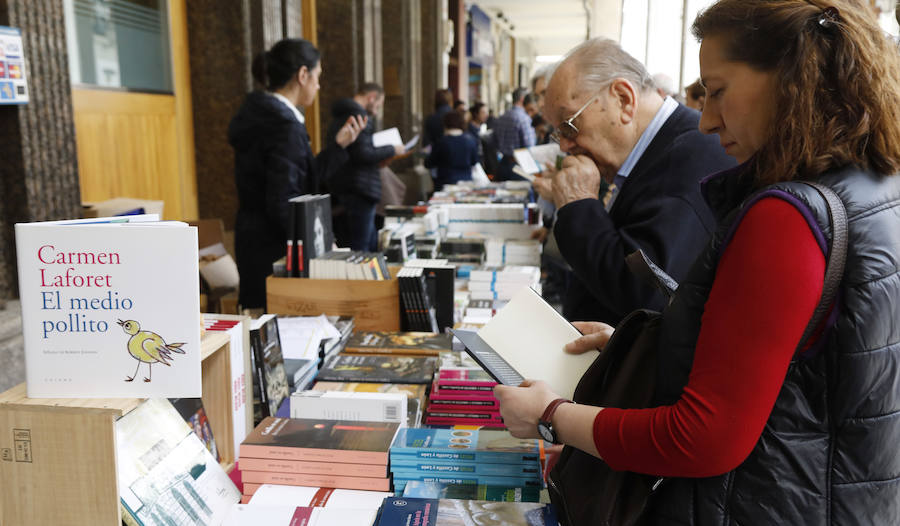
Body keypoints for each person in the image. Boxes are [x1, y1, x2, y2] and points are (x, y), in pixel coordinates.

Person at [495, 1, 900, 523]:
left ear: (791, 80)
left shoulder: (786, 216)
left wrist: (552, 414)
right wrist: (645, 344)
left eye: (718, 91)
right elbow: (805, 361)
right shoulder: (874, 185)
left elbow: (704, 436)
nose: (706, 119)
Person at [541, 38, 734, 325]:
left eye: (570, 125)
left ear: (623, 99)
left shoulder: (686, 159)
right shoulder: (662, 150)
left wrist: (578, 204)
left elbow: (645, 293)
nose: (565, 146)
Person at [229, 38, 365, 309]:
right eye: (317, 77)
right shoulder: (283, 126)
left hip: (254, 242)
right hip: (276, 252)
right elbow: (285, 201)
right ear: (303, 75)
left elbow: (299, 177)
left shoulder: (261, 116)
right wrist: (320, 241)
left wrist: (337, 147)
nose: (318, 85)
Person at [328, 82, 403, 251]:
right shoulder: (358, 116)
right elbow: (363, 154)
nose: (377, 110)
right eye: (378, 104)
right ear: (371, 97)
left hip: (350, 186)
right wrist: (392, 149)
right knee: (362, 247)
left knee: (366, 242)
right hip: (361, 189)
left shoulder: (343, 114)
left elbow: (356, 151)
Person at [425, 110, 478, 191]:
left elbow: (429, 163)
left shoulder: (441, 142)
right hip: (466, 182)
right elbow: (474, 161)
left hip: (446, 183)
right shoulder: (470, 140)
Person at [492, 87, 536, 181]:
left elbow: (494, 141)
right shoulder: (524, 119)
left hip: (502, 164)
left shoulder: (502, 117)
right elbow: (530, 146)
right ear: (522, 99)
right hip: (520, 164)